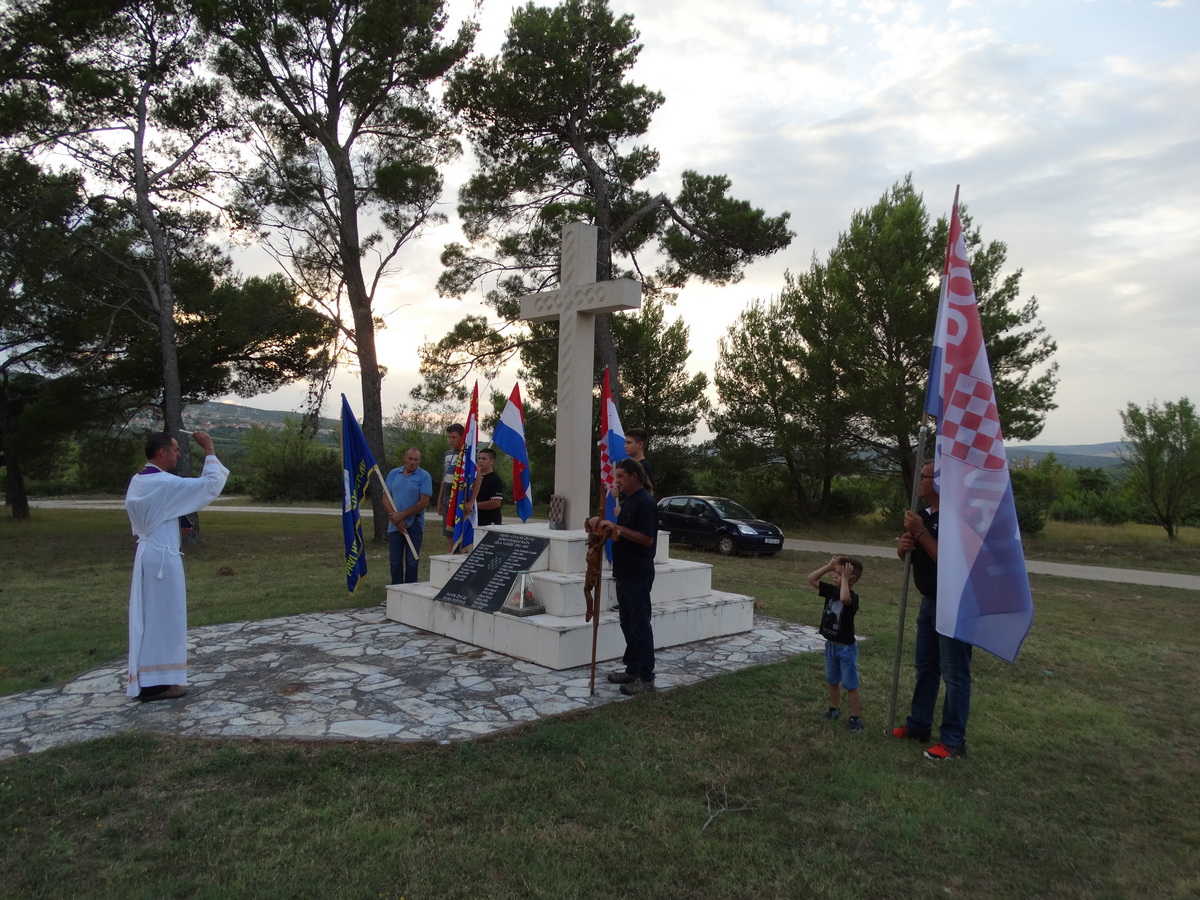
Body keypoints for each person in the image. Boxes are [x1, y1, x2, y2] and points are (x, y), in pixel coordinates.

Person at [124, 430, 228, 702]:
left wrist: (174, 523)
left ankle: (151, 678)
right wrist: (209, 449)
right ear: (162, 453)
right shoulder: (163, 482)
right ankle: (159, 682)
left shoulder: (139, 480)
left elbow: (149, 515)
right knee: (165, 618)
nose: (178, 454)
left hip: (149, 553)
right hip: (162, 560)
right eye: (175, 450)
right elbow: (209, 485)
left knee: (151, 617)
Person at [893, 461, 972, 761]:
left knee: (955, 674)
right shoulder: (924, 516)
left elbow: (949, 560)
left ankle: (953, 741)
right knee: (926, 669)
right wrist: (904, 547)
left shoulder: (955, 517)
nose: (918, 481)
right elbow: (914, 557)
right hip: (929, 602)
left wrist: (921, 533)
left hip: (954, 603)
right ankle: (919, 725)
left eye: (923, 477)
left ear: (938, 483)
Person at [588, 458, 658, 696]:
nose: (617, 481)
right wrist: (601, 526)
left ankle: (647, 677)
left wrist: (617, 528)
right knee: (627, 623)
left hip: (638, 572)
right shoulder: (628, 502)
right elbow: (619, 533)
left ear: (634, 477)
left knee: (639, 625)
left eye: (621, 477)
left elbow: (647, 538)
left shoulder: (645, 503)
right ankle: (633, 669)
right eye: (616, 476)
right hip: (624, 571)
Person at [806, 555, 865, 733]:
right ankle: (834, 709)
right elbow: (811, 579)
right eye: (836, 573)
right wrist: (829, 566)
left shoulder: (852, 598)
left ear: (851, 579)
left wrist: (845, 580)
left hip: (846, 649)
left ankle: (855, 719)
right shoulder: (831, 591)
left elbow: (845, 599)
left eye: (839, 574)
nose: (835, 576)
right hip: (830, 646)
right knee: (832, 680)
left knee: (850, 684)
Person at [385, 447, 432, 584]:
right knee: (395, 562)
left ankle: (410, 592)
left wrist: (402, 515)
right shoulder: (393, 474)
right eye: (410, 459)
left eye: (416, 460)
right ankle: (396, 590)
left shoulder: (424, 476)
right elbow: (385, 497)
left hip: (414, 524)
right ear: (404, 458)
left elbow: (424, 502)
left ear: (419, 460)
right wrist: (395, 518)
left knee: (412, 562)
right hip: (394, 525)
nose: (412, 462)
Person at [437, 423, 465, 551]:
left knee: (460, 530)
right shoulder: (447, 454)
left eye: (454, 437)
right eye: (449, 437)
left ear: (461, 437)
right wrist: (440, 499)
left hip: (459, 496)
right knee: (448, 531)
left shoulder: (466, 455)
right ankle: (450, 554)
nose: (450, 440)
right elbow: (445, 477)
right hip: (447, 497)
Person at [464, 447, 504, 528]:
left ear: (492, 461)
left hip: (489, 521)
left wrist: (474, 505)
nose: (480, 461)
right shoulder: (473, 478)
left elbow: (496, 503)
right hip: (474, 519)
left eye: (484, 459)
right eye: (479, 458)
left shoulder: (494, 479)